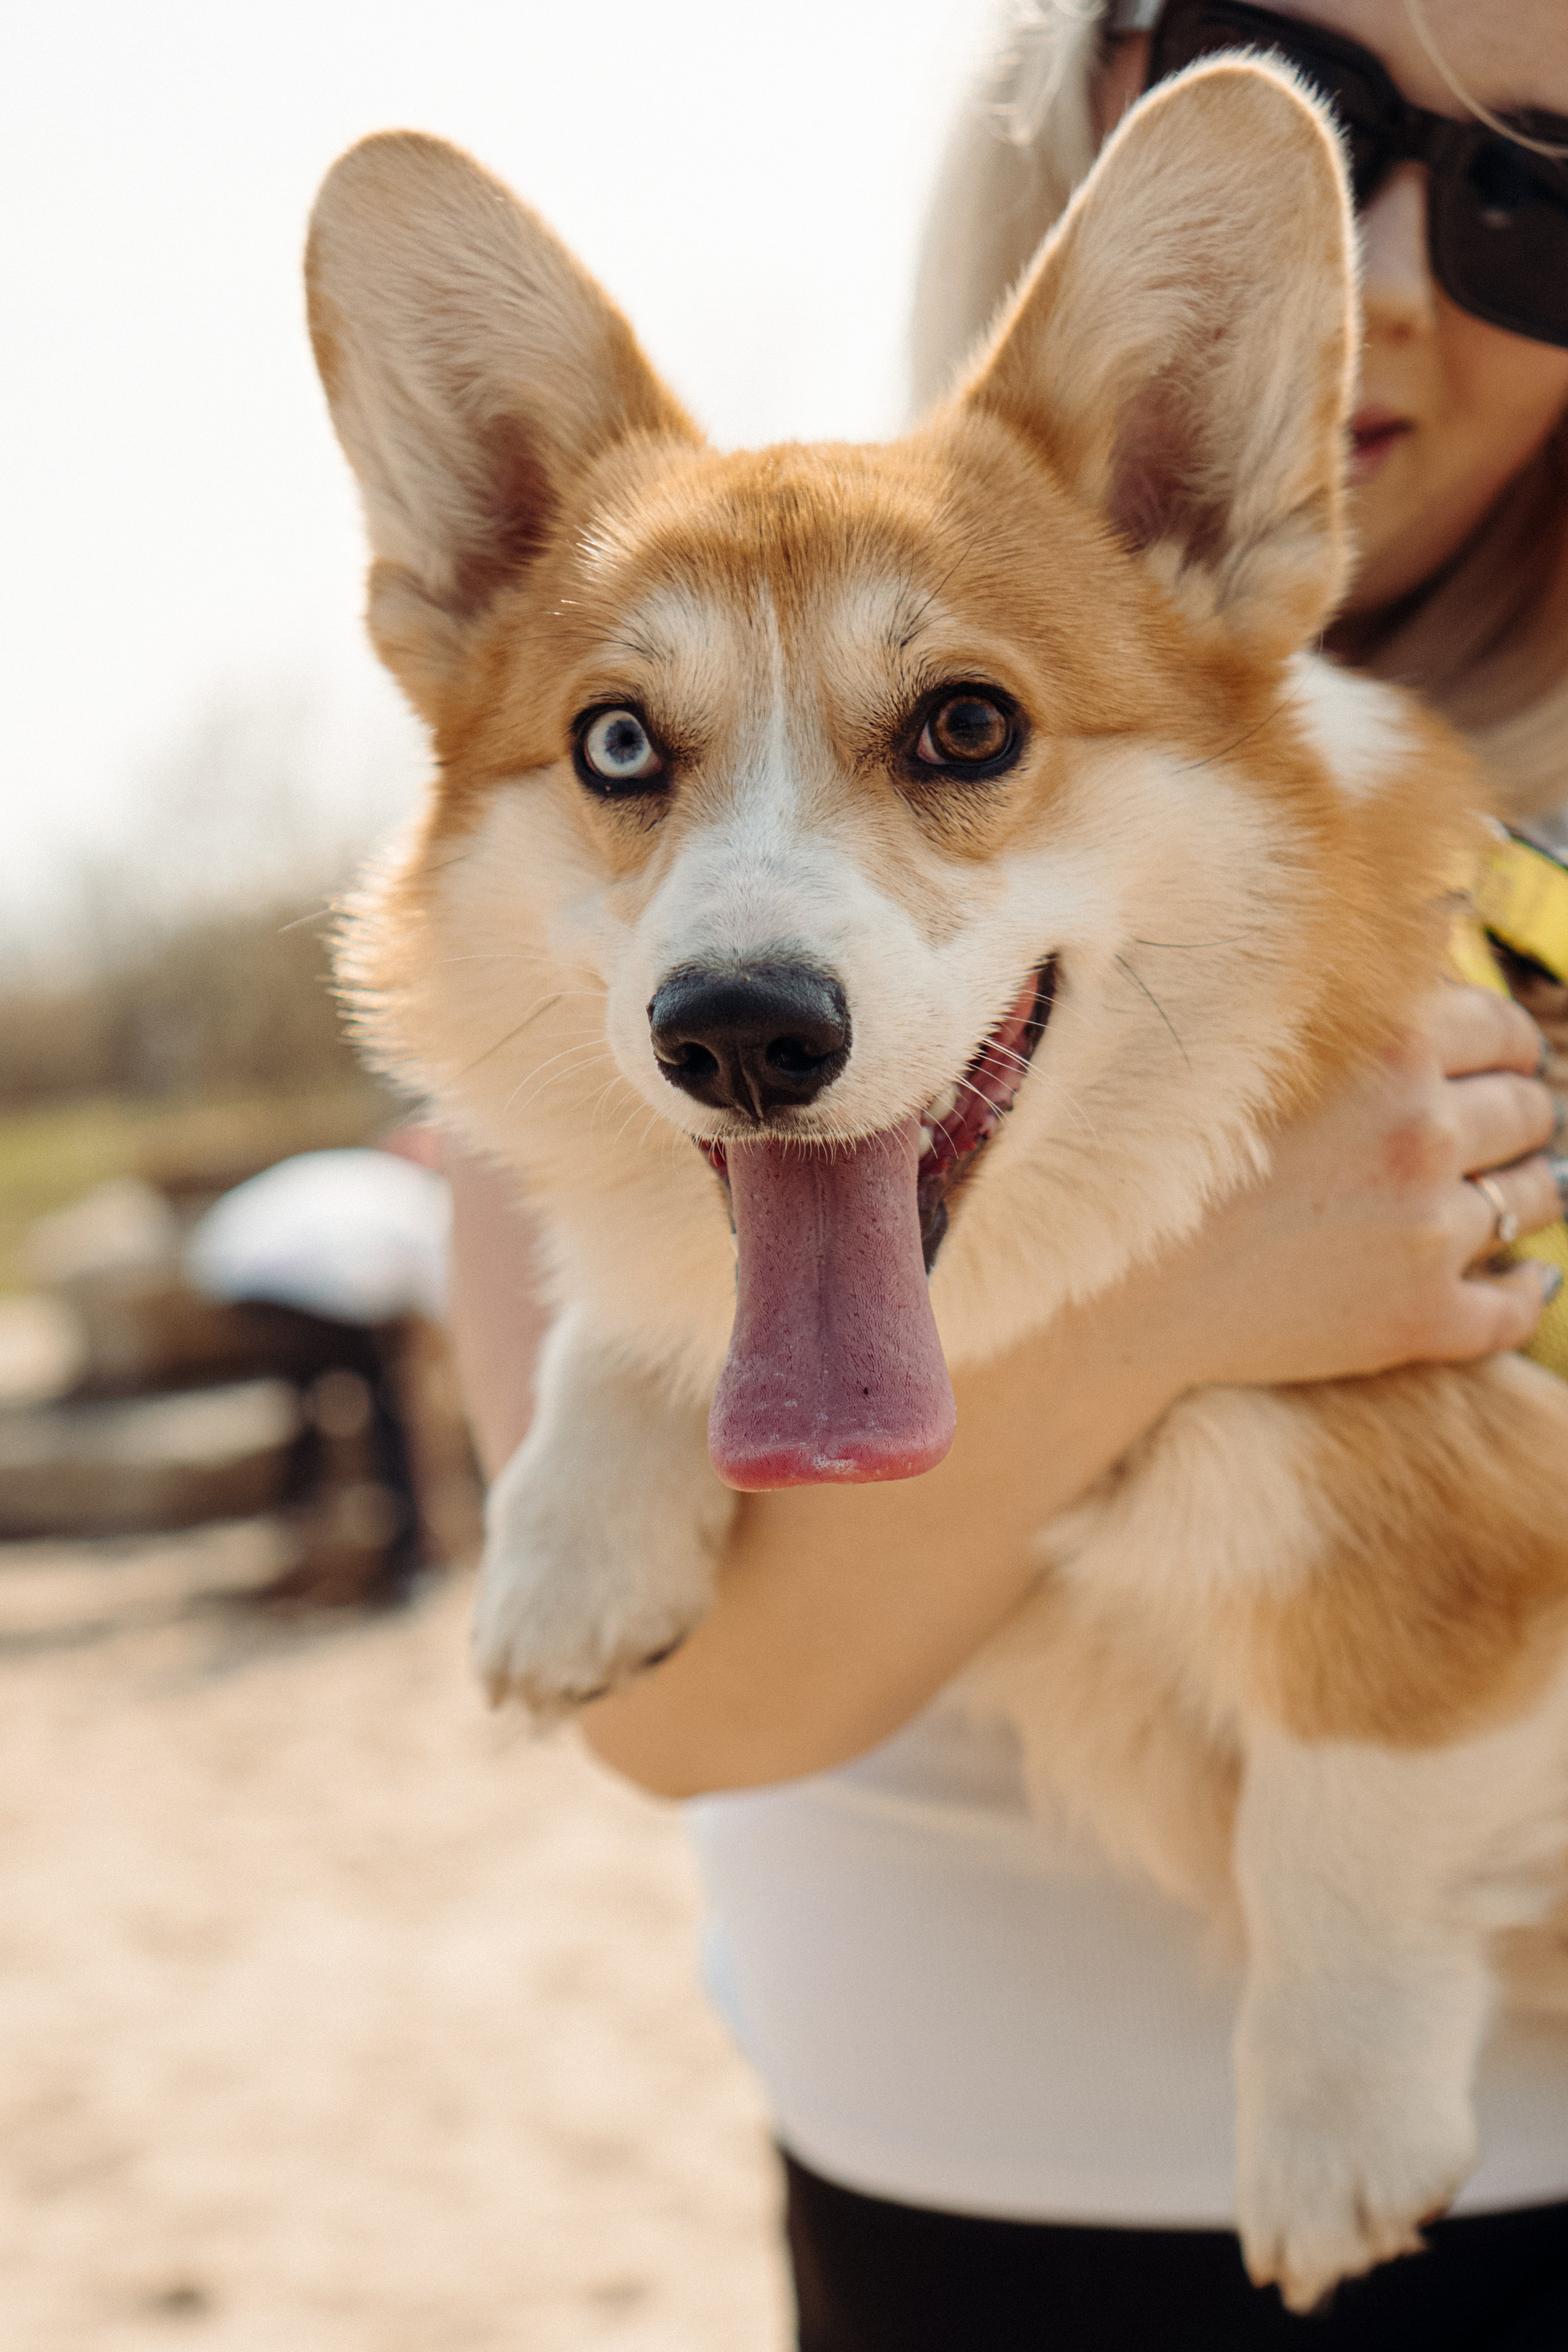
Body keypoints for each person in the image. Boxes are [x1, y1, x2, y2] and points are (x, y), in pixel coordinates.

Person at [447, 4, 1568, 2343]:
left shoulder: (1444, 893)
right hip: (948, 2208)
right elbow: (673, 1713)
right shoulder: (570, 946)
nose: (1371, 280)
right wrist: (1188, 1303)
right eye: (1290, 80)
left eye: (1532, 188)